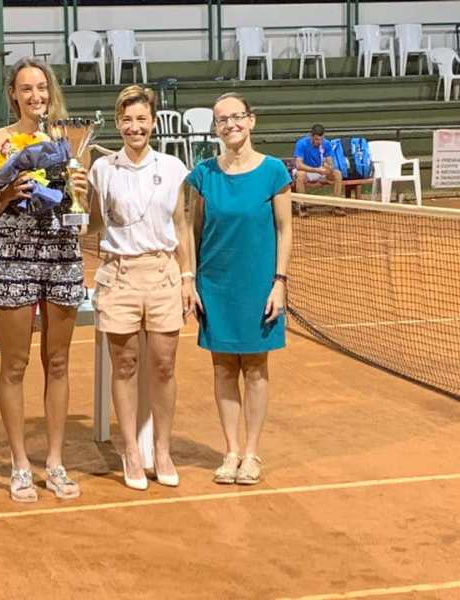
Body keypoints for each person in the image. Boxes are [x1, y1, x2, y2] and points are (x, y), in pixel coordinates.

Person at [0, 58, 89, 503]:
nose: (35, 96)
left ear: (50, 90)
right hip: (14, 259)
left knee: (58, 362)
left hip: (62, 257)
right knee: (15, 364)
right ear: (13, 94)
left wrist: (83, 191)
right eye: (26, 89)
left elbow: (85, 216)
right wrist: (6, 195)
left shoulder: (71, 141)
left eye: (41, 87)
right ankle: (20, 464)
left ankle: (55, 462)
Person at [87, 85, 197, 490]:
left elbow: (182, 226)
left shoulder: (173, 167)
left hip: (163, 273)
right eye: (127, 120)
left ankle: (162, 450)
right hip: (119, 276)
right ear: (118, 124)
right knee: (125, 365)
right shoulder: (102, 169)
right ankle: (131, 451)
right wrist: (77, 197)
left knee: (164, 366)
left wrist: (187, 277)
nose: (135, 127)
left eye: (142, 119)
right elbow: (93, 225)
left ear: (153, 122)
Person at [185, 92, 292, 486]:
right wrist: (191, 280)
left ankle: (251, 453)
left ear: (251, 120)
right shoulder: (202, 174)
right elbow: (192, 230)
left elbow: (285, 230)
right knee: (223, 366)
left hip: (258, 282)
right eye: (222, 120)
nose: (230, 124)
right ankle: (230, 452)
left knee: (256, 368)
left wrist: (279, 282)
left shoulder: (274, 172)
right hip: (216, 283)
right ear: (215, 128)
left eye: (236, 117)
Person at [293, 123, 342, 216]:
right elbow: (299, 165)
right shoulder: (301, 144)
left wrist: (329, 167)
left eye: (321, 139)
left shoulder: (326, 144)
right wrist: (316, 170)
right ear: (311, 136)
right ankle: (302, 206)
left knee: (337, 174)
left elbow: (330, 162)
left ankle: (337, 206)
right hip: (306, 171)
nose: (319, 142)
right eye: (316, 139)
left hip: (320, 172)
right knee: (300, 175)